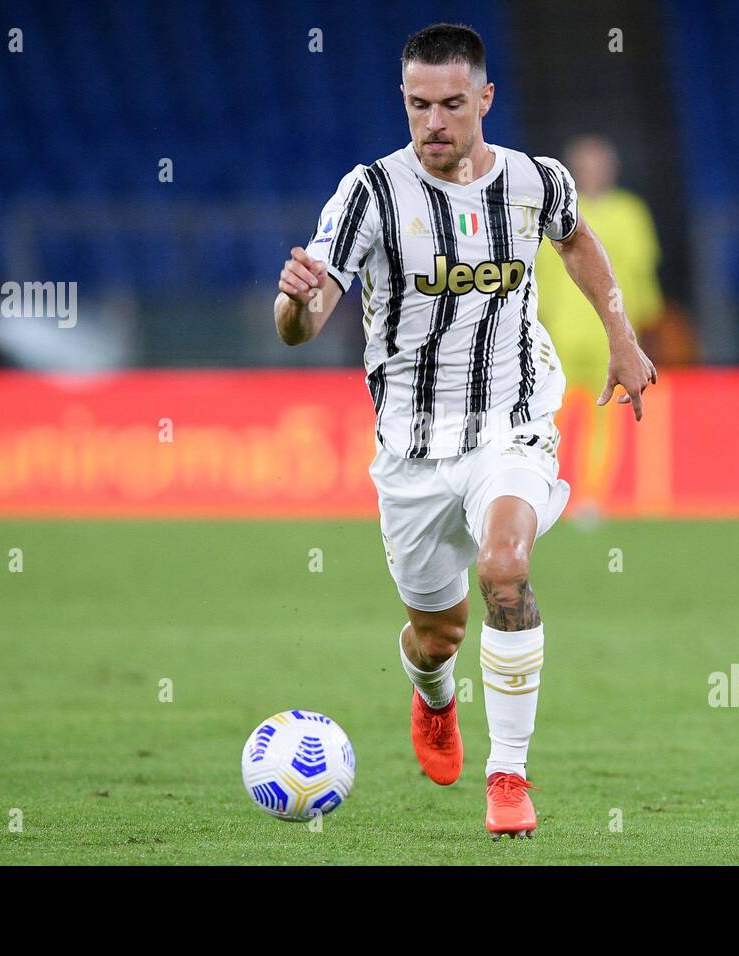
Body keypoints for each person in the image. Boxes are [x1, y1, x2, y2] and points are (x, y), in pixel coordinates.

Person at [272, 23, 656, 838]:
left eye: (452, 104)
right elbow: (304, 324)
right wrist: (294, 299)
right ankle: (432, 696)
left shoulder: (532, 181)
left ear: (484, 99)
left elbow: (578, 240)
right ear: (403, 102)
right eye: (419, 105)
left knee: (507, 570)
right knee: (436, 632)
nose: (435, 122)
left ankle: (508, 779)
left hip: (510, 423)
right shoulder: (370, 194)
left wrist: (622, 337)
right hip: (409, 450)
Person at [534, 137, 664, 513]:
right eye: (586, 165)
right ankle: (543, 490)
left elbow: (641, 274)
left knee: (603, 420)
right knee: (547, 414)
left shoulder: (631, 213)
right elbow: (538, 276)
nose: (593, 172)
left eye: (598, 165)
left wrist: (642, 325)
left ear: (611, 169)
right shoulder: (558, 211)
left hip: (609, 337)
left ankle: (592, 498)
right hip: (560, 333)